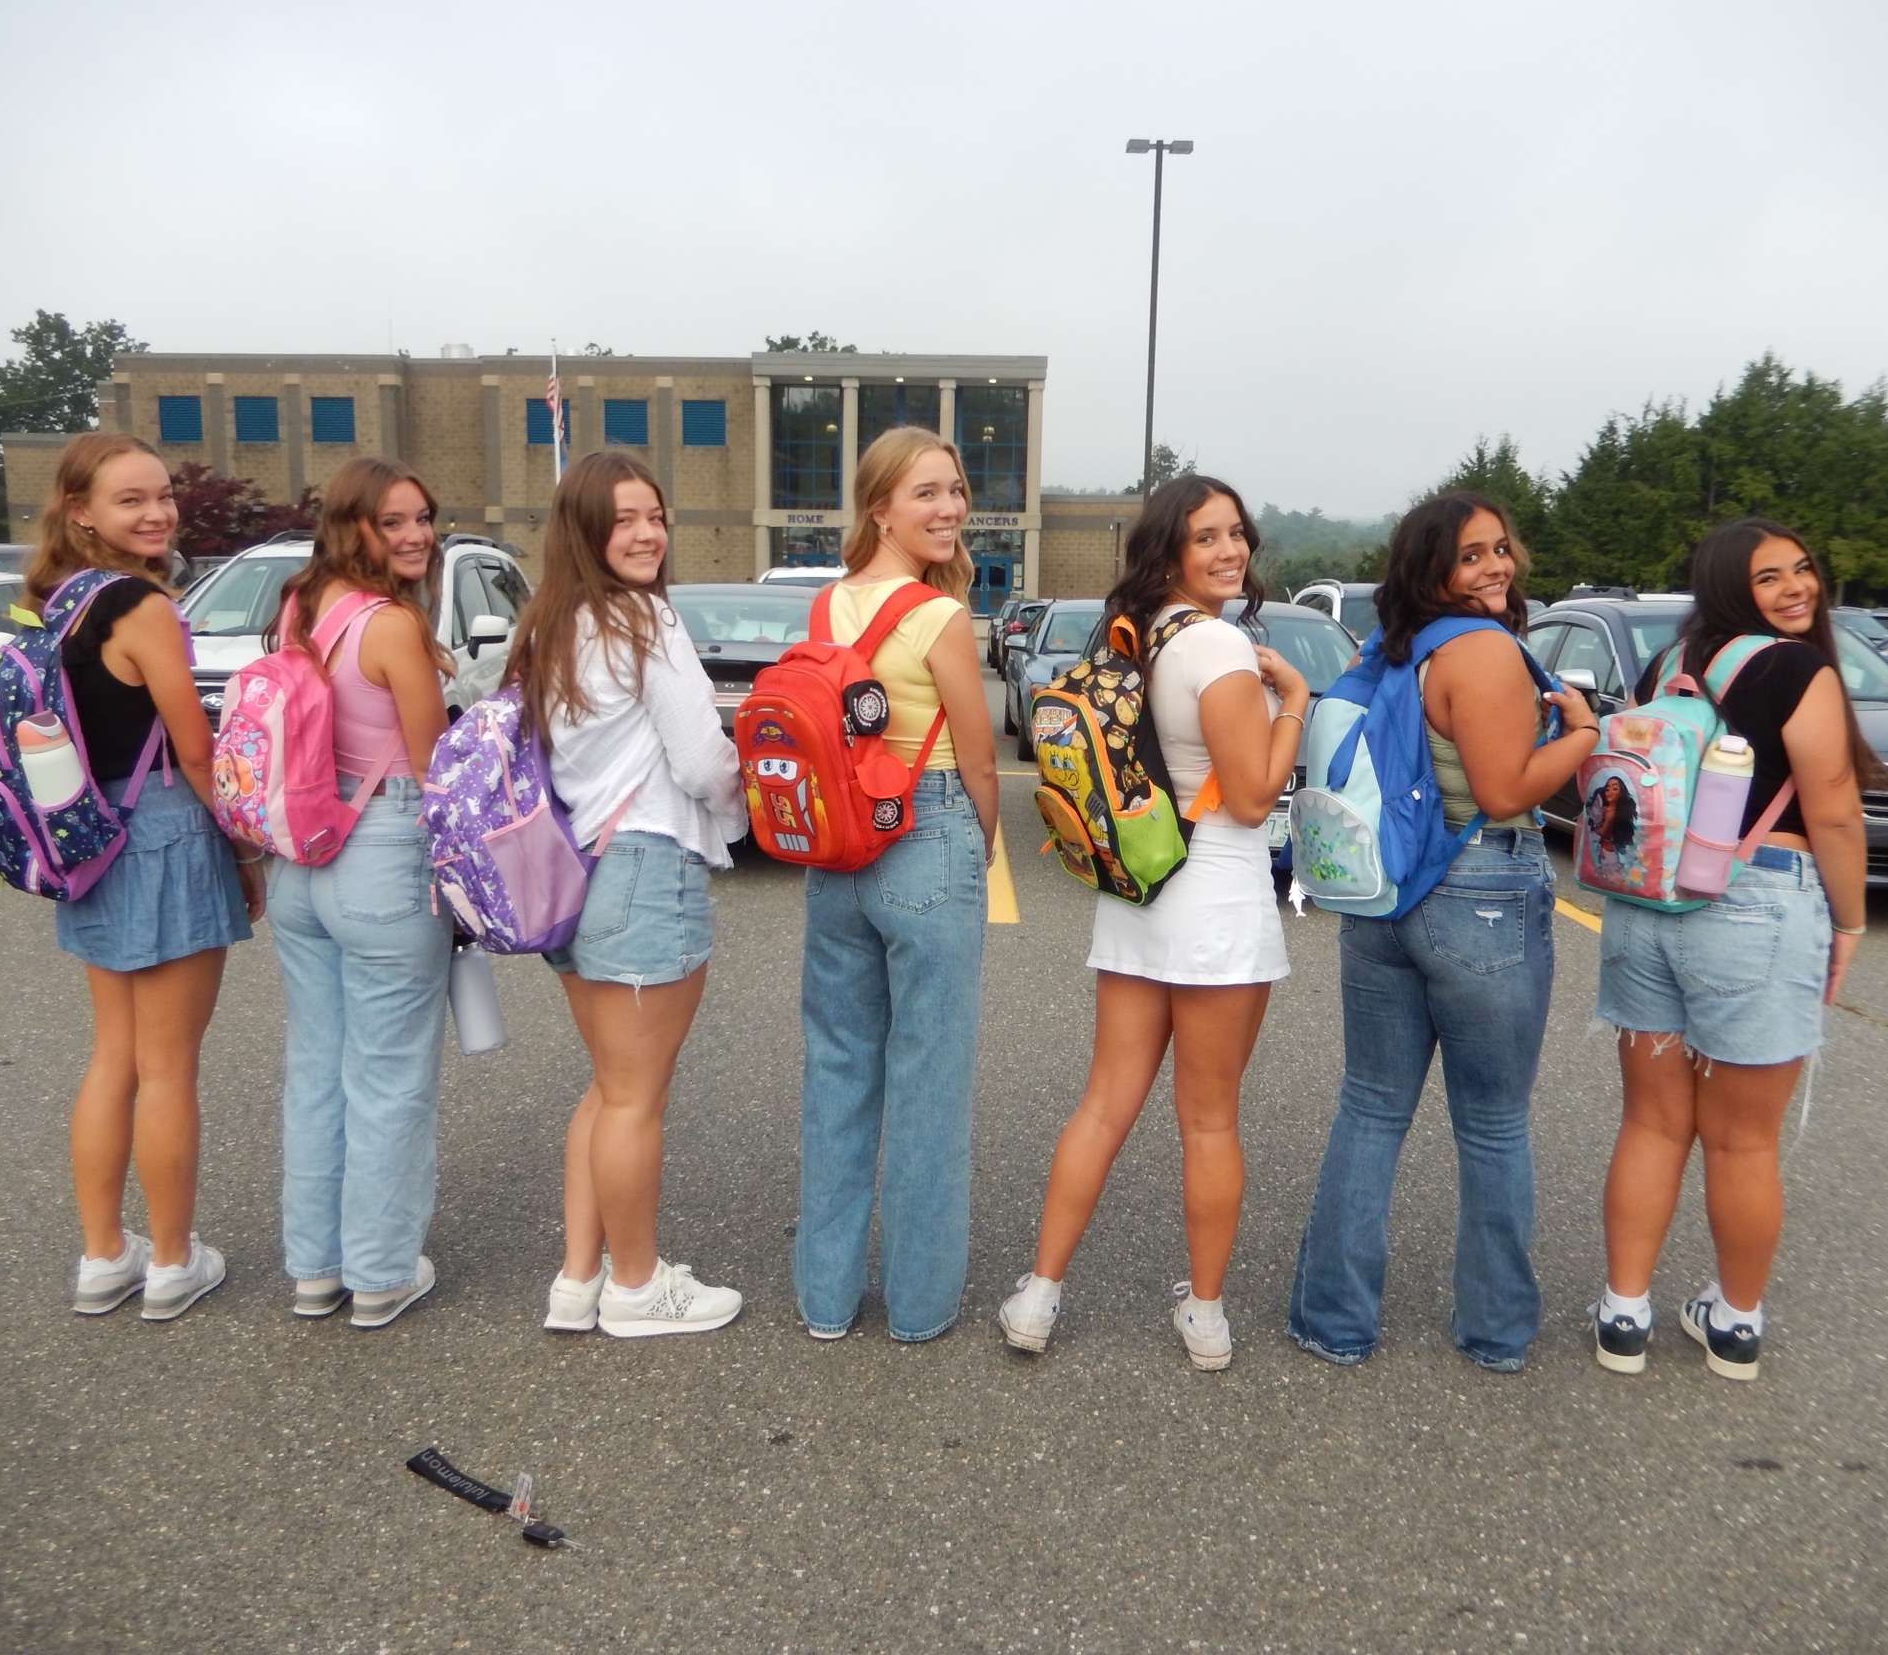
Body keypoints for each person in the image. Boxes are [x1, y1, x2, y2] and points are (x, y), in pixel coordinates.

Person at [998, 475, 1307, 1371]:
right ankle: (1204, 1316)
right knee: (1209, 1123)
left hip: (1138, 890)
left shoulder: (1136, 636)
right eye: (1206, 536)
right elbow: (1251, 800)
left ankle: (1039, 1296)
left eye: (1236, 533)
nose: (1229, 550)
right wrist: (1294, 706)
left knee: (1103, 1104)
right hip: (1215, 899)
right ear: (1169, 548)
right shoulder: (1217, 645)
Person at [1287, 491, 1598, 1372]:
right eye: (1472, 556)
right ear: (1434, 569)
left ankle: (1333, 1320)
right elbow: (1505, 791)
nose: (1496, 566)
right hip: (1482, 895)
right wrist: (1582, 732)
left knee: (1371, 1108)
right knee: (1494, 1125)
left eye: (1501, 549)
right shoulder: (1487, 653)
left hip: (1383, 902)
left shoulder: (1391, 655)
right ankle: (1496, 1332)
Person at [1593, 519, 1875, 1381]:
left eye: (1802, 569)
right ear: (1728, 586)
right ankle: (1734, 1326)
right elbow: (1830, 810)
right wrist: (1853, 922)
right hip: (1754, 906)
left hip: (1647, 906)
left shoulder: (1666, 667)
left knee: (1651, 1120)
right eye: (1768, 578)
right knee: (1743, 1143)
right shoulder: (1798, 671)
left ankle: (1623, 1315)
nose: (1796, 587)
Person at [511, 451, 748, 1338]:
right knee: (635, 1099)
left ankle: (580, 1280)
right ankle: (640, 1288)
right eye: (623, 520)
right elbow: (699, 761)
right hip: (646, 870)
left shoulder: (551, 624)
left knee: (609, 1090)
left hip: (577, 874)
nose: (646, 533)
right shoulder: (643, 618)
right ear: (585, 530)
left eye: (654, 515)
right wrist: (742, 812)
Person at [38, 433, 264, 1321]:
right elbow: (195, 745)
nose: (157, 511)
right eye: (130, 499)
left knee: (114, 1057)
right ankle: (171, 1261)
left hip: (88, 831)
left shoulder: (60, 603)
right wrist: (245, 852)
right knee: (168, 1067)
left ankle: (103, 1257)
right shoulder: (143, 608)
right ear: (80, 510)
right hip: (163, 830)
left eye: (162, 494)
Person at [795, 427, 999, 1343]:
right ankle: (918, 1307)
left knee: (838, 1074)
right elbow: (984, 763)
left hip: (836, 854)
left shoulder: (824, 608)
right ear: (878, 507)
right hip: (930, 829)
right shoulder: (938, 619)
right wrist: (978, 850)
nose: (950, 509)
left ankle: (826, 1300)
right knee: (929, 1081)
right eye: (927, 493)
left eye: (954, 491)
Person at [263, 459, 455, 1329]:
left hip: (301, 857)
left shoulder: (298, 607)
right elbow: (435, 768)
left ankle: (315, 1267)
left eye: (423, 518)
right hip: (381, 850)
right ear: (355, 525)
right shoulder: (390, 628)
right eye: (394, 521)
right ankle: (379, 1272)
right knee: (388, 1075)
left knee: (317, 1069)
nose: (416, 535)